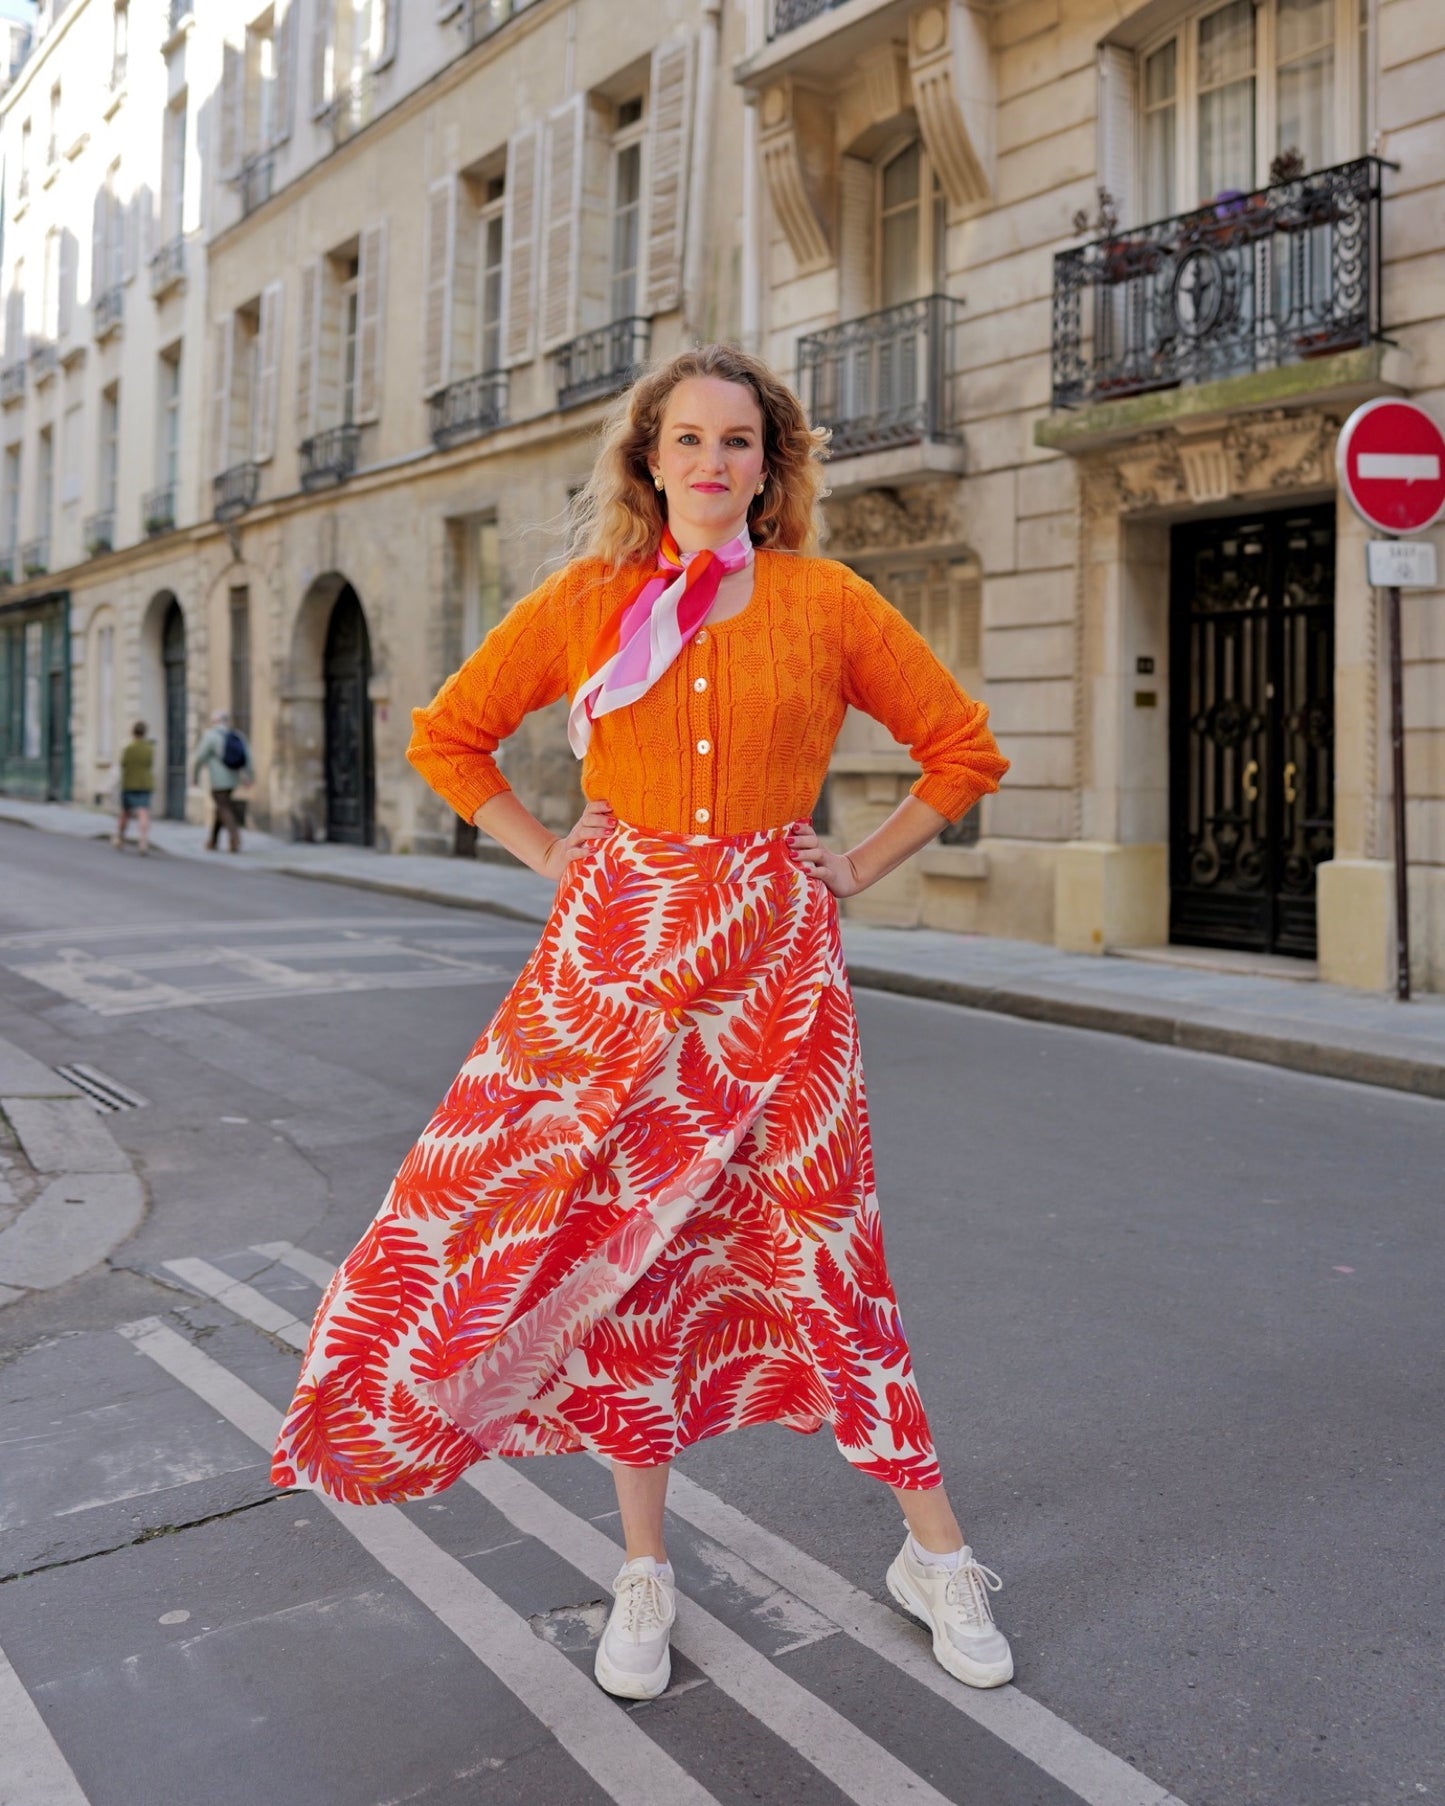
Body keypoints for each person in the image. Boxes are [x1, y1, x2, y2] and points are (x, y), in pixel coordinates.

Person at [272, 345, 1015, 1700]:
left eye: (741, 442)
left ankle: (934, 1549)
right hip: (611, 967)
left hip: (776, 969)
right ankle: (642, 1570)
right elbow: (448, 736)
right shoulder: (589, 601)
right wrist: (547, 849)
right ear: (648, 458)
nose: (714, 463)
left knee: (828, 1238)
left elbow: (961, 747)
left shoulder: (825, 599)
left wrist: (854, 862)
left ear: (771, 466)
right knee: (623, 1251)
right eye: (689, 439)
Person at [190, 709, 252, 852]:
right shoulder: (236, 735)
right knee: (220, 808)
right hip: (233, 779)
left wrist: (194, 775)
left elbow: (199, 757)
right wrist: (248, 776)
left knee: (223, 807)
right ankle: (213, 841)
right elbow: (248, 757)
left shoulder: (210, 736)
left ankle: (234, 837)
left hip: (218, 780)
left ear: (214, 721)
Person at [114, 721, 154, 854]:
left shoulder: (128, 748)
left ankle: (120, 837)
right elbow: (149, 763)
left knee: (125, 813)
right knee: (143, 813)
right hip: (144, 783)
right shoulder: (149, 748)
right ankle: (143, 841)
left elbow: (123, 763)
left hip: (129, 783)